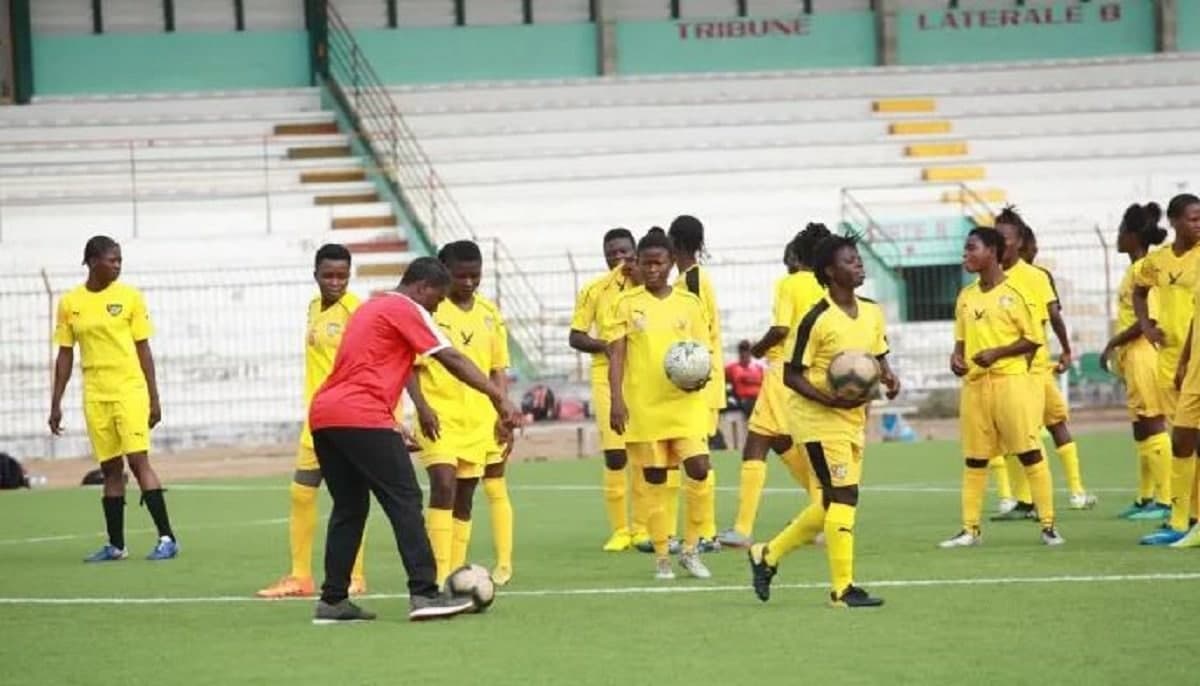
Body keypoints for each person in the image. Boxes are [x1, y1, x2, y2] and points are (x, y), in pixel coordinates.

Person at [307, 257, 522, 624]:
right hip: (360, 416)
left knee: (349, 507)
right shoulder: (405, 308)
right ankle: (425, 593)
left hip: (327, 416)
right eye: (437, 300)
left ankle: (333, 601)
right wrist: (499, 396)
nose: (437, 309)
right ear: (423, 288)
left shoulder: (372, 308)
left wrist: (391, 420)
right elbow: (452, 358)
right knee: (405, 499)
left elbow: (370, 367)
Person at [747, 234, 899, 608]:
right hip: (816, 419)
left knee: (833, 503)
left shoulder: (872, 310)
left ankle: (766, 554)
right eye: (850, 261)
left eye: (859, 259)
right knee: (845, 497)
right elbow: (791, 375)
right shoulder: (815, 318)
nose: (859, 265)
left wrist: (889, 375)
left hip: (852, 418)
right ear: (830, 271)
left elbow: (877, 355)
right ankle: (842, 590)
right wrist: (828, 398)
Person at [50, 235, 178, 562]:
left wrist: (154, 396)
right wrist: (56, 402)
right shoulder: (70, 303)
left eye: (120, 260)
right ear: (92, 261)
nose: (118, 266)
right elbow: (65, 354)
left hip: (129, 389)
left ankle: (167, 538)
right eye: (112, 260)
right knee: (109, 468)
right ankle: (116, 545)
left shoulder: (130, 297)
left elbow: (143, 349)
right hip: (95, 393)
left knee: (138, 461)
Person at [939, 227, 1063, 549]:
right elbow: (960, 342)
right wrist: (956, 358)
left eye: (971, 249)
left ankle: (1048, 525)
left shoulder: (1015, 294)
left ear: (992, 251)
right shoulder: (966, 296)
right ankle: (970, 530)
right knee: (975, 459)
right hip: (976, 387)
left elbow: (1033, 339)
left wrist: (998, 353)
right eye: (965, 249)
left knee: (1029, 452)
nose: (965, 255)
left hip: (1011, 383)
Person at [258, 245, 369, 598]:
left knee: (348, 497)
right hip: (316, 419)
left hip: (346, 418)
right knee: (301, 492)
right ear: (316, 275)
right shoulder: (313, 308)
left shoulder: (356, 312)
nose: (335, 282)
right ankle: (300, 577)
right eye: (328, 275)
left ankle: (355, 575)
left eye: (342, 275)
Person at [608, 228, 714, 580]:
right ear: (636, 264)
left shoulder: (690, 303)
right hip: (645, 405)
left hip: (685, 403)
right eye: (646, 263)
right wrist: (616, 400)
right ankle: (661, 555)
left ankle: (691, 548)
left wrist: (702, 376)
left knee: (699, 468)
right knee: (655, 479)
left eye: (659, 263)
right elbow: (617, 356)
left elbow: (702, 352)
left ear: (671, 264)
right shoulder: (626, 303)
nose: (652, 269)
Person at [408, 240, 516, 587]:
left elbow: (498, 368)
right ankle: (436, 576)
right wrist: (422, 407)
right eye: (460, 276)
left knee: (465, 496)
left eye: (475, 275)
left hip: (480, 420)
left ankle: (454, 572)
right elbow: (409, 367)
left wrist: (503, 411)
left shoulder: (489, 312)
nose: (469, 282)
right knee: (442, 485)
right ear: (443, 273)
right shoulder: (430, 313)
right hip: (438, 417)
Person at [717, 223, 830, 549]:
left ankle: (741, 529)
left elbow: (781, 328)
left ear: (795, 259)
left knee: (757, 443)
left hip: (784, 373)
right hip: (812, 374)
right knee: (787, 444)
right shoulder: (826, 284)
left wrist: (757, 350)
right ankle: (823, 514)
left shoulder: (790, 283)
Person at [988, 208, 1095, 523]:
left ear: (1020, 242)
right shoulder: (990, 279)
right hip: (1006, 372)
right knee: (1013, 434)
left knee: (1052, 425)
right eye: (995, 238)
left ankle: (1075, 492)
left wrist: (1065, 349)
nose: (999, 244)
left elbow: (1054, 315)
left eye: (1005, 239)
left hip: (1036, 371)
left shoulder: (1036, 276)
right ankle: (1023, 500)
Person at [567, 228, 649, 553]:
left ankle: (642, 528)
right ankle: (620, 530)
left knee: (643, 453)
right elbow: (575, 336)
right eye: (612, 253)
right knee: (616, 453)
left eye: (625, 252)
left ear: (635, 253)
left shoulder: (648, 286)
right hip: (605, 375)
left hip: (642, 376)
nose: (619, 259)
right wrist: (608, 346)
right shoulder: (594, 290)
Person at [1134, 193, 1200, 545]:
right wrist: (1146, 326)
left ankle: (1188, 518)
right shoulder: (1157, 262)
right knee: (1184, 442)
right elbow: (1139, 292)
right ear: (1173, 221)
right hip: (1170, 361)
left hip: (1194, 362)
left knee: (1189, 442)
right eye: (1193, 218)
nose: (1199, 224)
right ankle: (1183, 518)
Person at [1100, 204, 1172, 521]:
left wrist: (1111, 343)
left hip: (1144, 354)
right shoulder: (1134, 269)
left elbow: (1149, 319)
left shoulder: (1146, 268)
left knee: (1153, 422)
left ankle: (1168, 499)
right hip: (1132, 357)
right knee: (1141, 427)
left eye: (1120, 232)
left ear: (1132, 236)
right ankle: (1146, 497)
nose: (1117, 238)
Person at [668, 215, 721, 551]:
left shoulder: (694, 281)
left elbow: (700, 331)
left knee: (699, 458)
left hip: (700, 379)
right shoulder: (687, 279)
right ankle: (698, 532)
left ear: (676, 243)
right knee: (690, 456)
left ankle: (707, 533)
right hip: (695, 379)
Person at [725, 340, 764, 418]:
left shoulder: (759, 368)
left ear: (750, 353)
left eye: (746, 351)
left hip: (759, 399)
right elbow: (720, 383)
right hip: (743, 400)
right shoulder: (731, 368)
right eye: (742, 351)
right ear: (739, 352)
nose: (744, 354)